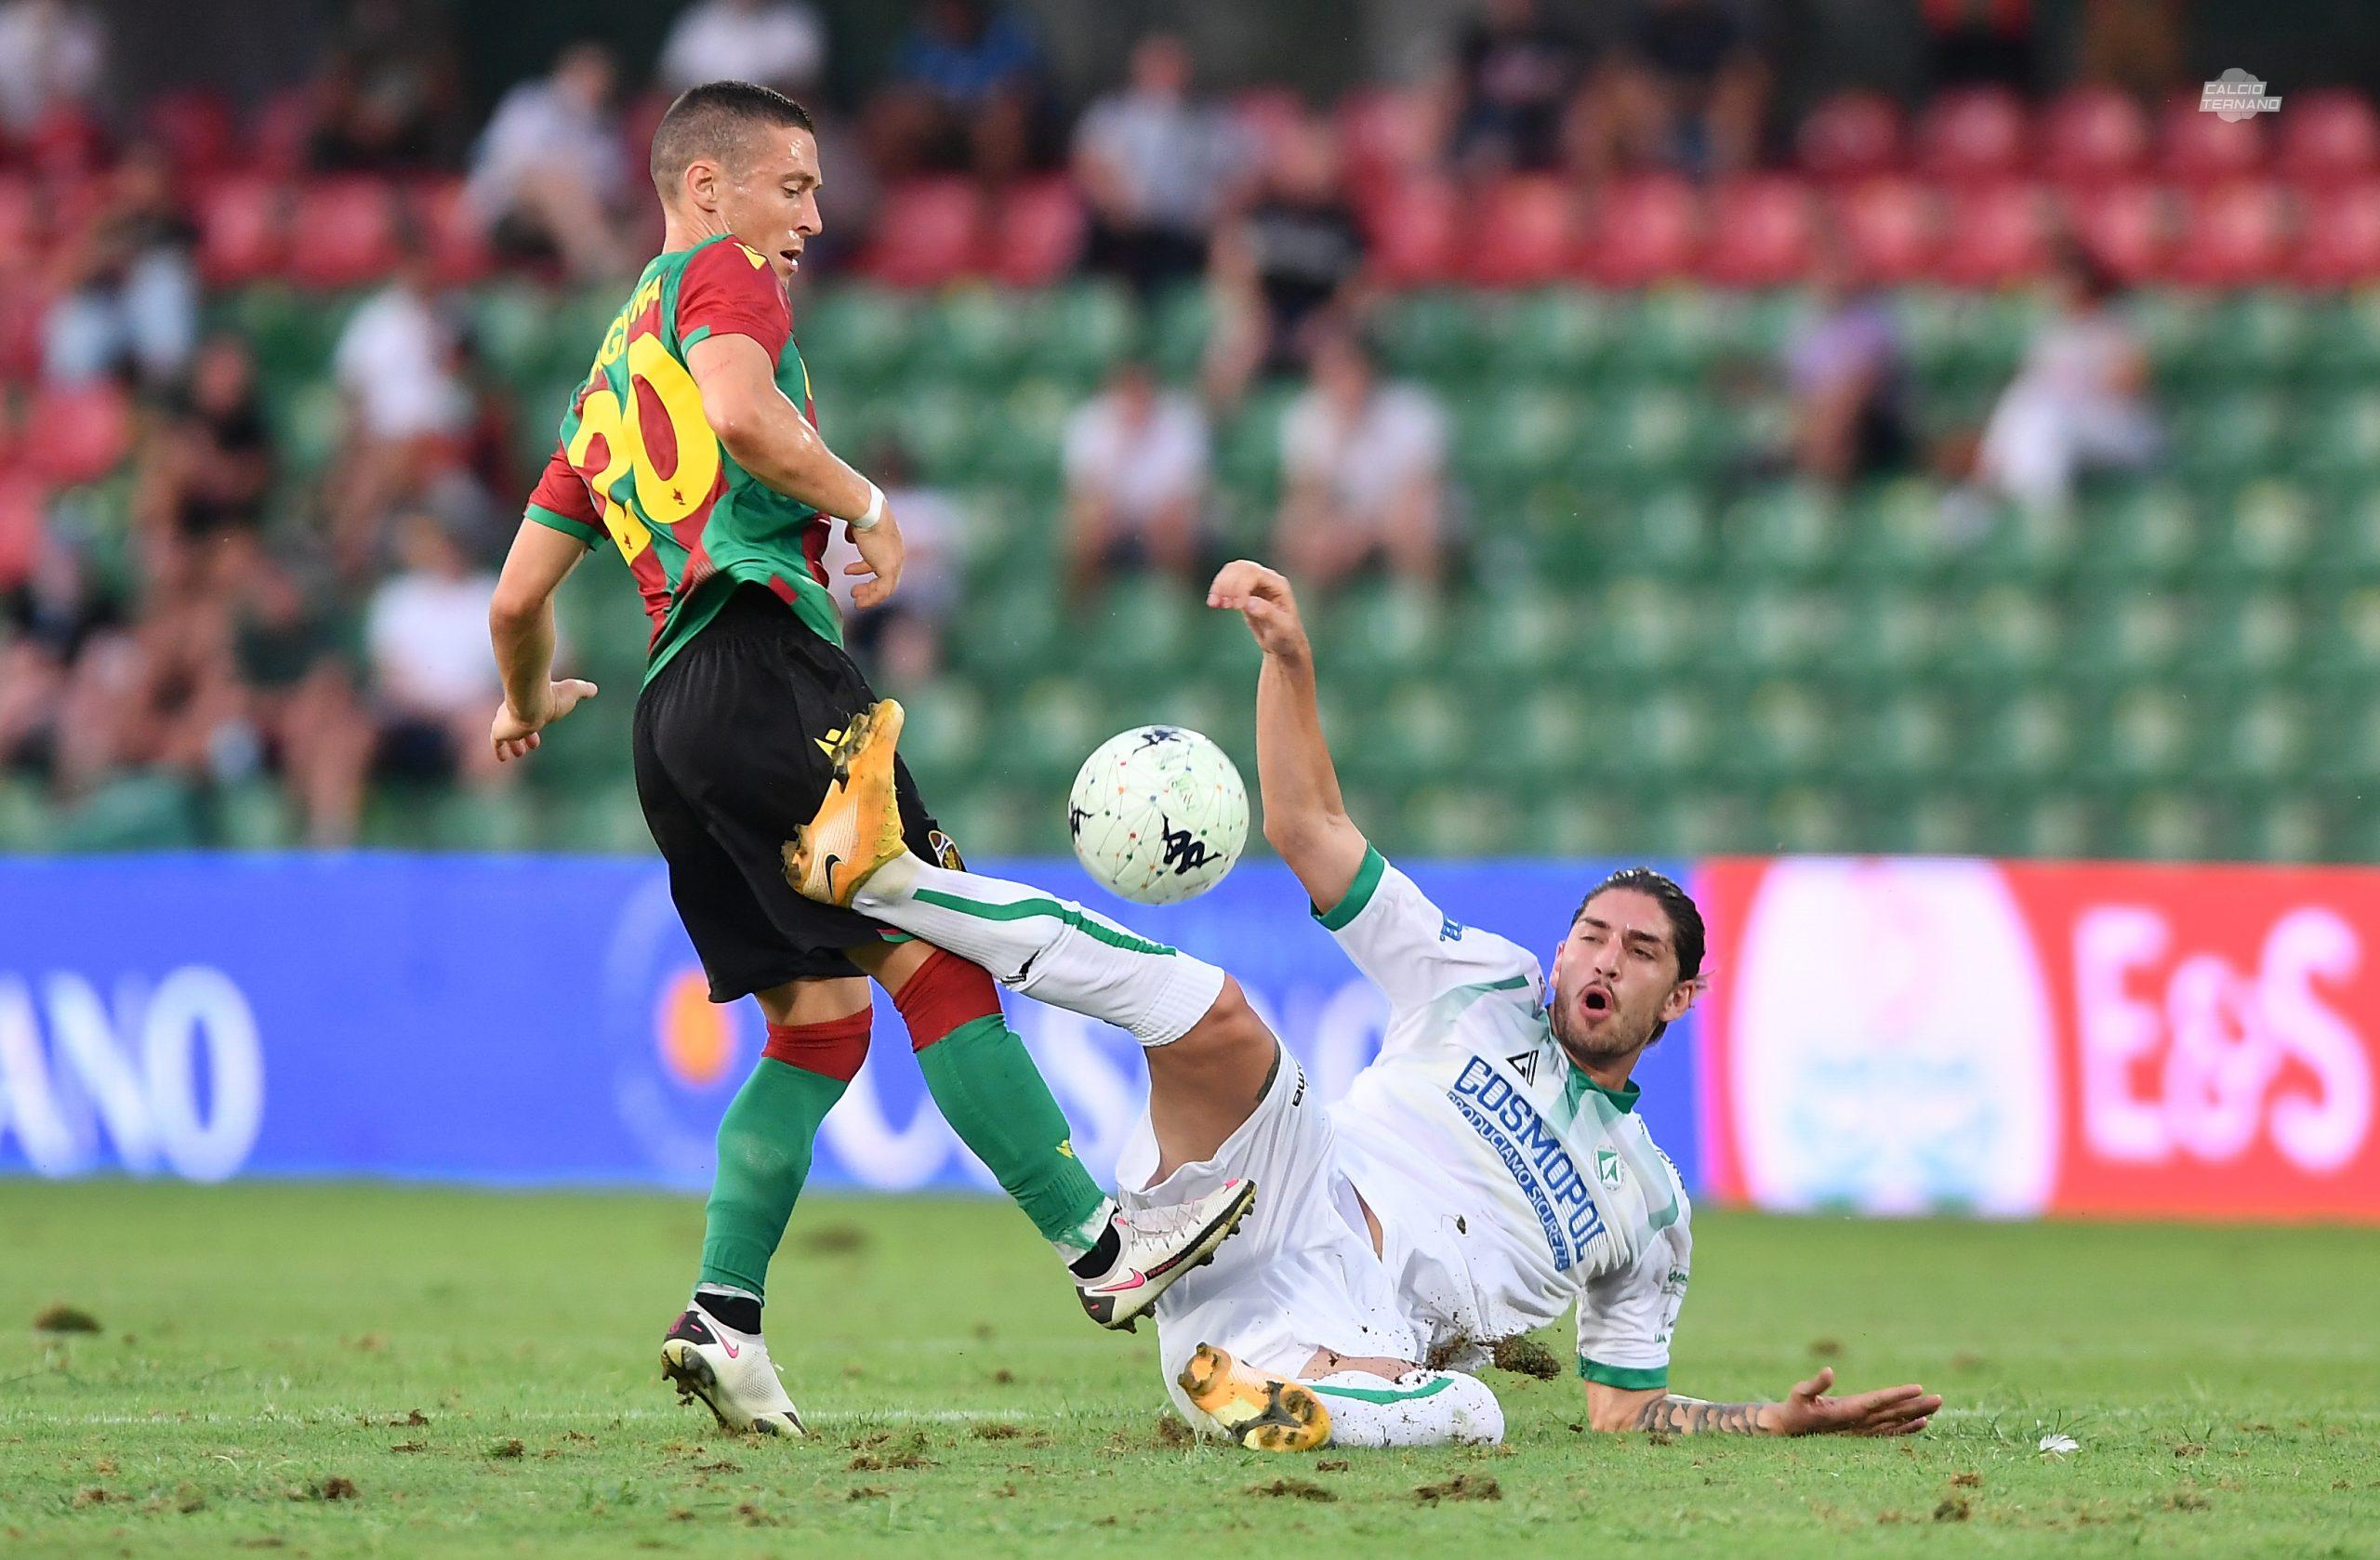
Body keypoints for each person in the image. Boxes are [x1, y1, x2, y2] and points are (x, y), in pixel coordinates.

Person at [482, 81, 1252, 1437]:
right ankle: (1101, 1244)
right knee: (937, 956)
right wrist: (867, 500)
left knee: (818, 1022)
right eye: (794, 186)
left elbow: (513, 598)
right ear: (708, 188)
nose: (813, 219)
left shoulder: (604, 374)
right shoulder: (717, 279)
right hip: (765, 668)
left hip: (670, 722)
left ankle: (723, 1312)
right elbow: (737, 414)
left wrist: (526, 701)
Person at [782, 560, 1943, 1450]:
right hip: (1273, 1200)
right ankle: (889, 877)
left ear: (1678, 996)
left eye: (1638, 953)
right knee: (1214, 1010)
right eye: (1592, 933)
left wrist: (1773, 1423)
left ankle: (1280, 1409)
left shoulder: (1650, 1207)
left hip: (1354, 1335)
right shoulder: (1480, 983)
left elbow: (1622, 1412)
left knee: (1479, 1411)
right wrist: (1289, 659)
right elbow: (1308, 830)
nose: (1604, 958)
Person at [1975, 245, 2160, 511]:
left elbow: (2132, 385)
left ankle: (2039, 508)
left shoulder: (2116, 322)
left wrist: (2082, 382)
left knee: (2051, 418)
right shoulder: (2054, 330)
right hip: (2069, 428)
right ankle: (1999, 486)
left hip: (2125, 429)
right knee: (2025, 399)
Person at [1203, 112, 1368, 410]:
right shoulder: (1263, 207)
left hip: (1318, 321)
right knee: (1236, 350)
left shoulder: (1343, 218)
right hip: (1261, 313)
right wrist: (1254, 310)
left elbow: (1356, 282)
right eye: (1310, 154)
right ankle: (1212, 434)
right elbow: (1228, 260)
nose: (1319, 165)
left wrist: (1329, 316)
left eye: (1325, 156)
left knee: (1341, 359)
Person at [1072, 33, 1246, 296]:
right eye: (1156, 65)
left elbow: (1243, 172)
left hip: (1191, 235)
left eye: (1171, 65)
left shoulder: (1209, 121)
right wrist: (1120, 203)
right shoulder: (1112, 114)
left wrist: (1218, 207)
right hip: (1128, 235)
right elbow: (1090, 165)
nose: (1164, 73)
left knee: (1236, 245)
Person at [1276, 329, 1448, 591]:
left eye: (1345, 370)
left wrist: (1364, 532)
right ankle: (1314, 622)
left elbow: (1418, 493)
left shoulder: (1411, 411)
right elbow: (1307, 494)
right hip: (1345, 522)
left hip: (1397, 517)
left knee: (1410, 529)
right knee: (1305, 535)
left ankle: (1422, 615)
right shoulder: (1308, 416)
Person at [466, 41, 631, 278]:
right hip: (502, 207)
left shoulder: (601, 129)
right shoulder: (530, 103)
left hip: (571, 215)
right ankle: (604, 272)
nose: (594, 85)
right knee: (551, 182)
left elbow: (613, 188)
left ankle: (609, 273)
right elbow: (513, 169)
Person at [1063, 359, 1210, 595]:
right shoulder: (1091, 421)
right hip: (1114, 517)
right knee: (1084, 528)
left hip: (1161, 517)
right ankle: (1082, 615)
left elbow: (1185, 495)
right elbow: (1086, 493)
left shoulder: (1181, 421)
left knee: (1175, 527)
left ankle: (1175, 610)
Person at [659, 0, 826, 96]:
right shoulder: (700, 22)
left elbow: (802, 92)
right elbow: (670, 85)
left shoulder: (794, 23)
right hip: (707, 125)